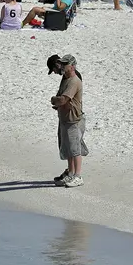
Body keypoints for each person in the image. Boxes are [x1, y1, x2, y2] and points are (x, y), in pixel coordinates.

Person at [48, 54, 86, 187]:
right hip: (65, 118)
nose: (62, 67)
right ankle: (70, 173)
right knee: (67, 148)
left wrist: (55, 100)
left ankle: (77, 176)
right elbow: (62, 97)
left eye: (65, 64)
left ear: (72, 66)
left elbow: (64, 99)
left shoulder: (74, 80)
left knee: (75, 149)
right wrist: (58, 102)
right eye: (62, 64)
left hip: (73, 119)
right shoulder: (65, 77)